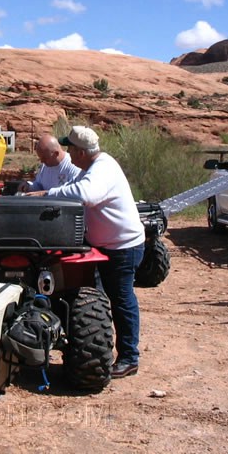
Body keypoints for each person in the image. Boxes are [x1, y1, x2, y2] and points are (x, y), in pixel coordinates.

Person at [26, 126, 145, 379]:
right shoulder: (88, 169)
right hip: (104, 244)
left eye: (70, 148)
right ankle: (97, 348)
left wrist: (49, 193)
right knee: (98, 301)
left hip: (123, 246)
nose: (68, 152)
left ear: (80, 152)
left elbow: (84, 194)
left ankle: (129, 358)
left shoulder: (102, 168)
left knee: (121, 300)